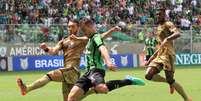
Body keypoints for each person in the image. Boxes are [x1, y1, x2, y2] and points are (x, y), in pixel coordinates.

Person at [16, 19, 121, 101]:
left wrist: (111, 30)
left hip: (73, 70)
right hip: (67, 72)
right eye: (69, 27)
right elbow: (53, 51)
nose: (70, 28)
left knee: (50, 75)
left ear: (78, 27)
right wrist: (46, 48)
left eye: (72, 26)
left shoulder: (84, 39)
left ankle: (27, 88)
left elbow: (100, 36)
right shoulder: (64, 41)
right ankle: (92, 90)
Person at [67, 18, 145, 101]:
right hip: (87, 73)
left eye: (84, 30)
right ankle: (93, 89)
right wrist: (78, 39)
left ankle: (128, 81)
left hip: (96, 70)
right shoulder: (91, 37)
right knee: (71, 98)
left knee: (103, 88)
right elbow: (93, 37)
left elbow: (103, 48)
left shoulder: (96, 37)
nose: (84, 32)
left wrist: (108, 62)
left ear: (90, 27)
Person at [144, 9, 192, 101]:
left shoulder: (168, 24)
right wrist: (150, 59)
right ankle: (169, 83)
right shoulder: (158, 27)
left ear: (164, 15)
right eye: (157, 14)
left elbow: (178, 33)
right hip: (160, 54)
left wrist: (168, 38)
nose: (158, 15)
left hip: (168, 54)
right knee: (148, 75)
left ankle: (186, 99)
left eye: (160, 14)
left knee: (171, 79)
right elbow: (159, 46)